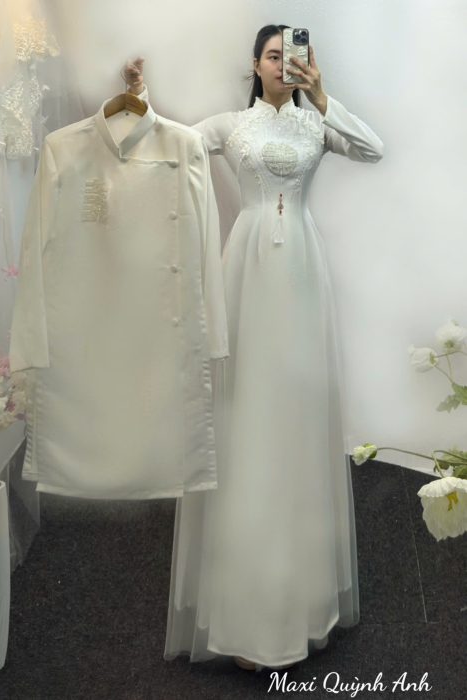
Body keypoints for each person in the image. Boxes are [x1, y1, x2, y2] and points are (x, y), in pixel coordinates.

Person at [125, 23, 383, 671]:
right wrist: (138, 101)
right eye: (273, 55)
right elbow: (170, 145)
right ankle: (244, 609)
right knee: (245, 412)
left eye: (293, 56)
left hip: (301, 271)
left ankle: (300, 599)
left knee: (296, 412)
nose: (282, 64)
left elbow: (372, 148)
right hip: (245, 273)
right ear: (255, 63)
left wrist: (323, 96)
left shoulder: (316, 123)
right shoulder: (232, 126)